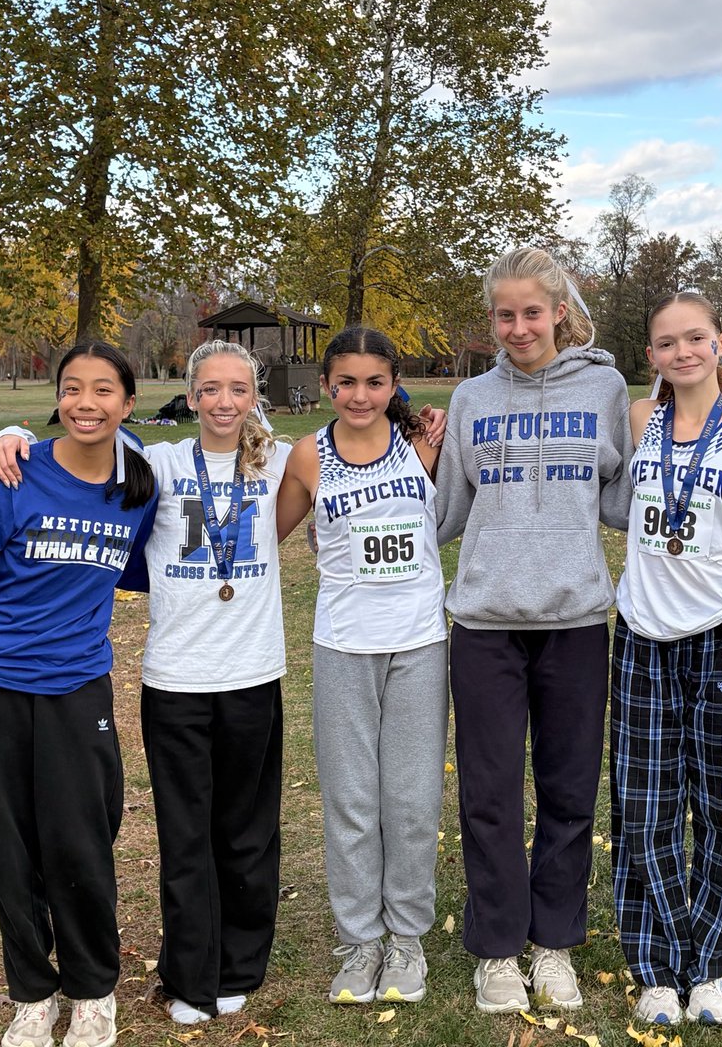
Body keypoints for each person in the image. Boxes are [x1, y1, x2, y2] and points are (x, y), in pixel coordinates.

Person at [0, 340, 448, 1025]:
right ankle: (189, 972)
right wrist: (16, 429)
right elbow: (91, 434)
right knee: (186, 835)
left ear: (255, 394)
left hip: (254, 671)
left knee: (247, 833)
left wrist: (414, 416)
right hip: (176, 677)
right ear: (191, 394)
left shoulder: (285, 458)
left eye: (237, 389)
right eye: (209, 389)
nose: (224, 402)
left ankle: (240, 965)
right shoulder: (160, 461)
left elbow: (361, 439)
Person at [0, 343, 158, 1047]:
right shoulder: (14, 472)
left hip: (76, 686)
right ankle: (34, 993)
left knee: (82, 840)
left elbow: (142, 567)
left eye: (103, 390)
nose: (85, 403)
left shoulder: (138, 482)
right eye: (71, 389)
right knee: (14, 845)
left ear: (127, 402)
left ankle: (93, 991)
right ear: (56, 397)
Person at [434, 246, 633, 1015]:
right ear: (491, 321)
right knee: (488, 794)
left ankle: (553, 945)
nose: (518, 327)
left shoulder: (606, 387)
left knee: (569, 788)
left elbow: (619, 504)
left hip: (577, 619)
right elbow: (446, 512)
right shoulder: (471, 400)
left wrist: (662, 437)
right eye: (503, 314)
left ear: (559, 312)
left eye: (531, 312)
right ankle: (495, 950)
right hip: (484, 623)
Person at [611, 293, 722, 1028]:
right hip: (643, 639)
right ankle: (655, 966)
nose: (682, 352)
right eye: (665, 342)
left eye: (695, 338)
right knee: (645, 810)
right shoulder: (638, 421)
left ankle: (710, 966)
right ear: (650, 355)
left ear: (721, 342)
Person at [276, 327, 449, 1006]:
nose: (359, 394)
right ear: (326, 386)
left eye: (374, 382)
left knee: (409, 801)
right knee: (351, 803)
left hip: (419, 645)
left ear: (393, 384)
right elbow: (264, 534)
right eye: (345, 382)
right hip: (343, 647)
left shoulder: (425, 445)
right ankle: (359, 942)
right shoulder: (307, 456)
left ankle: (405, 938)